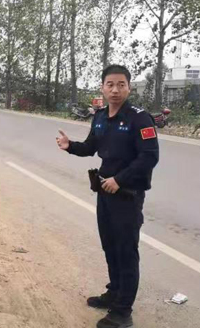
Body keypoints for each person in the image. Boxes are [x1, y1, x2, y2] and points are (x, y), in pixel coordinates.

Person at [56, 64, 160, 328]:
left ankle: (123, 311)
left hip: (127, 194)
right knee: (110, 246)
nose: (115, 90)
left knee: (126, 251)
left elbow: (149, 157)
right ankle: (114, 293)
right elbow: (91, 146)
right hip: (104, 192)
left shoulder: (140, 119)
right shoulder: (100, 116)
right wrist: (70, 146)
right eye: (110, 84)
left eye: (121, 84)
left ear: (129, 87)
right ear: (102, 88)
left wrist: (119, 179)